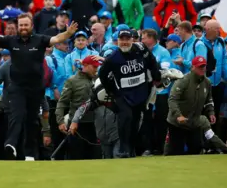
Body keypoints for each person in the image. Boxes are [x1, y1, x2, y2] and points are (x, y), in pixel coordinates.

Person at [0, 14, 78, 160]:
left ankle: (29, 155)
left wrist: (68, 33)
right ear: (17, 27)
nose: (23, 28)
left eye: (25, 25)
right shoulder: (11, 41)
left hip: (35, 88)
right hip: (17, 87)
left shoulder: (40, 39)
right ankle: (11, 145)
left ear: (31, 26)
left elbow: (57, 39)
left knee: (32, 121)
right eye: (20, 25)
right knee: (17, 115)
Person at [98, 29, 161, 158]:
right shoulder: (113, 58)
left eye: (127, 39)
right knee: (126, 118)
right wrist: (112, 91)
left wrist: (156, 76)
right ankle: (123, 148)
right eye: (122, 39)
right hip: (123, 95)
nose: (125, 42)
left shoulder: (141, 48)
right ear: (118, 41)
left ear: (132, 39)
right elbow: (102, 75)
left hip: (141, 93)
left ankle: (131, 148)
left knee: (136, 121)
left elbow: (152, 61)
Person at [165, 56, 215, 156]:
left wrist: (211, 112)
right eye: (199, 67)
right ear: (193, 67)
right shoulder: (183, 81)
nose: (202, 69)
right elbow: (172, 99)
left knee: (196, 149)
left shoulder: (207, 82)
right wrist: (178, 115)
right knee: (175, 152)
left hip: (194, 122)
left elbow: (209, 99)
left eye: (203, 66)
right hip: (177, 123)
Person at [56, 55, 102, 160]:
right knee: (76, 158)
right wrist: (60, 121)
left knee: (95, 158)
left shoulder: (98, 79)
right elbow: (62, 102)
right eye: (94, 67)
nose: (96, 69)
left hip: (95, 125)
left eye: (97, 67)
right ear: (85, 65)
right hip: (76, 127)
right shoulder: (72, 81)